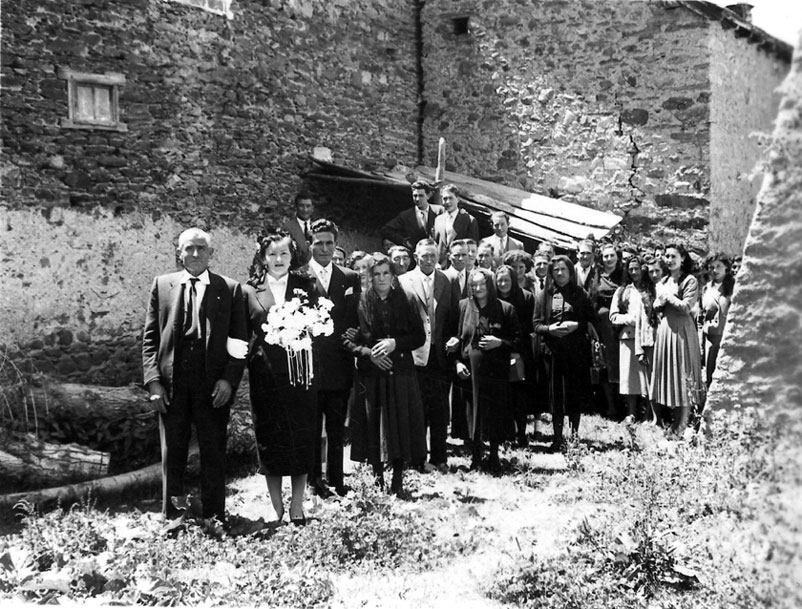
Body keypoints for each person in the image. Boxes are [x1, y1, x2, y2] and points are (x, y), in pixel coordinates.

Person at [142, 228, 248, 524]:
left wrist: (228, 379)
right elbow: (150, 337)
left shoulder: (228, 288)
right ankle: (173, 516)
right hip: (172, 384)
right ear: (179, 252)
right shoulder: (162, 285)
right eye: (189, 249)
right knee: (173, 452)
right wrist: (153, 382)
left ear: (212, 254)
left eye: (202, 248)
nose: (195, 254)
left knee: (213, 451)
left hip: (212, 384)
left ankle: (214, 515)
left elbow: (240, 342)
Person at [243, 229, 319, 524]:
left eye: (284, 253)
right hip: (266, 377)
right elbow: (243, 334)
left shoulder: (306, 285)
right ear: (263, 258)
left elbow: (320, 323)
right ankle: (276, 507)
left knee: (301, 435)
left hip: (300, 374)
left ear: (292, 256)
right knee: (270, 439)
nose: (278, 259)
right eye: (272, 254)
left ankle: (297, 505)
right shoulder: (249, 290)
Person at [347, 254, 427, 495]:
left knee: (400, 425)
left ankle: (398, 481)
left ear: (393, 276)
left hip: (401, 372)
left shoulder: (408, 300)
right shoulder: (359, 302)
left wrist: (395, 343)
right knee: (375, 426)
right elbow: (348, 339)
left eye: (385, 273)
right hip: (372, 375)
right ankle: (378, 479)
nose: (381, 278)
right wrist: (369, 353)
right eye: (376, 274)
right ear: (370, 277)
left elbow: (419, 337)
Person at [307, 219, 361, 497]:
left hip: (339, 364)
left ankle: (337, 479)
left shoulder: (350, 277)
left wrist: (355, 331)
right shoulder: (299, 277)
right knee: (313, 427)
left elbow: (356, 318)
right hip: (311, 366)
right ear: (310, 244)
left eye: (330, 243)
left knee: (337, 427)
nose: (325, 249)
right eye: (319, 243)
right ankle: (314, 481)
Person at [447, 268, 521, 470]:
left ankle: (495, 456)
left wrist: (500, 342)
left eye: (482, 284)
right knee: (473, 413)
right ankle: (476, 457)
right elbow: (453, 337)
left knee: (495, 412)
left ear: (490, 285)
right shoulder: (462, 307)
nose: (478, 288)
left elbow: (517, 341)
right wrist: (457, 363)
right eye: (474, 284)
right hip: (469, 372)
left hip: (496, 371)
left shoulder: (505, 309)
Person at [398, 239, 460, 472]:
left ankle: (440, 458)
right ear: (416, 257)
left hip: (440, 354)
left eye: (433, 255)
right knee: (417, 407)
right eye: (424, 256)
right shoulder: (403, 281)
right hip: (415, 353)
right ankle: (417, 458)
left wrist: (455, 339)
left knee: (440, 408)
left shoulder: (447, 279)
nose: (429, 260)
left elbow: (454, 315)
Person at [532, 255, 597, 452]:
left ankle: (574, 437)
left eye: (563, 270)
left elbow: (591, 321)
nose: (559, 273)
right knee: (556, 396)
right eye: (556, 270)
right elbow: (536, 325)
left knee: (574, 395)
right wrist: (550, 330)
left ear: (570, 272)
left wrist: (576, 325)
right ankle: (558, 438)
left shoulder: (581, 294)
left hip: (576, 353)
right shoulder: (544, 295)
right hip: (554, 353)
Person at [650, 242, 703, 436]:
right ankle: (670, 420)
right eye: (667, 256)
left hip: (682, 330)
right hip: (666, 330)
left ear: (682, 259)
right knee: (668, 374)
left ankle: (682, 423)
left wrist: (668, 296)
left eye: (674, 256)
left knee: (682, 372)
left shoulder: (690, 281)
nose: (669, 260)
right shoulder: (664, 280)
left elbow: (686, 307)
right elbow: (658, 307)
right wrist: (658, 302)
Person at [495, 264, 535, 446]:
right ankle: (505, 433)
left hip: (520, 351)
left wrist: (516, 350)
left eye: (506, 280)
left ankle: (521, 433)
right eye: (500, 280)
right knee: (502, 395)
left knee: (519, 395)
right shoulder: (492, 298)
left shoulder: (526, 298)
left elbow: (528, 327)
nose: (503, 284)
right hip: (497, 351)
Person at [610, 256, 653, 421]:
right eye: (631, 269)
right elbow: (613, 316)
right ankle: (632, 413)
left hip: (648, 338)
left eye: (637, 268)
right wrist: (629, 319)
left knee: (648, 377)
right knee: (630, 378)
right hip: (629, 337)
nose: (634, 272)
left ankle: (649, 414)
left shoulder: (651, 289)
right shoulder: (622, 291)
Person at [594, 243, 624, 417]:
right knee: (605, 365)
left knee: (622, 364)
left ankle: (623, 405)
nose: (609, 259)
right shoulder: (597, 275)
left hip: (620, 325)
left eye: (612, 255)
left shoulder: (623, 276)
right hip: (603, 327)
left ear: (617, 258)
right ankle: (609, 405)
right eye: (605, 256)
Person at [701, 253, 735, 387]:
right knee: (711, 378)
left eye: (718, 266)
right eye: (712, 267)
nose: (715, 270)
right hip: (711, 339)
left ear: (726, 267)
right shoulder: (706, 288)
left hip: (729, 338)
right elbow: (700, 316)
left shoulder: (734, 287)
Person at [381, 179, 444, 251]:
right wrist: (404, 241)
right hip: (415, 253)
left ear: (428, 196)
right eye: (415, 196)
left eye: (421, 196)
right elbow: (386, 229)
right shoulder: (406, 215)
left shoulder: (440, 211)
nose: (417, 199)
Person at [433, 184, 479, 267]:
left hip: (460, 266)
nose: (447, 202)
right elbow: (435, 244)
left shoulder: (469, 220)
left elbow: (472, 247)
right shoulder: (438, 220)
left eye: (450, 198)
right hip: (440, 267)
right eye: (445, 199)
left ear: (457, 199)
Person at [282, 192, 315, 265]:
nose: (305, 210)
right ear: (296, 207)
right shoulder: (287, 228)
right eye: (301, 206)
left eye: (308, 206)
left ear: (312, 208)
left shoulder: (317, 227)